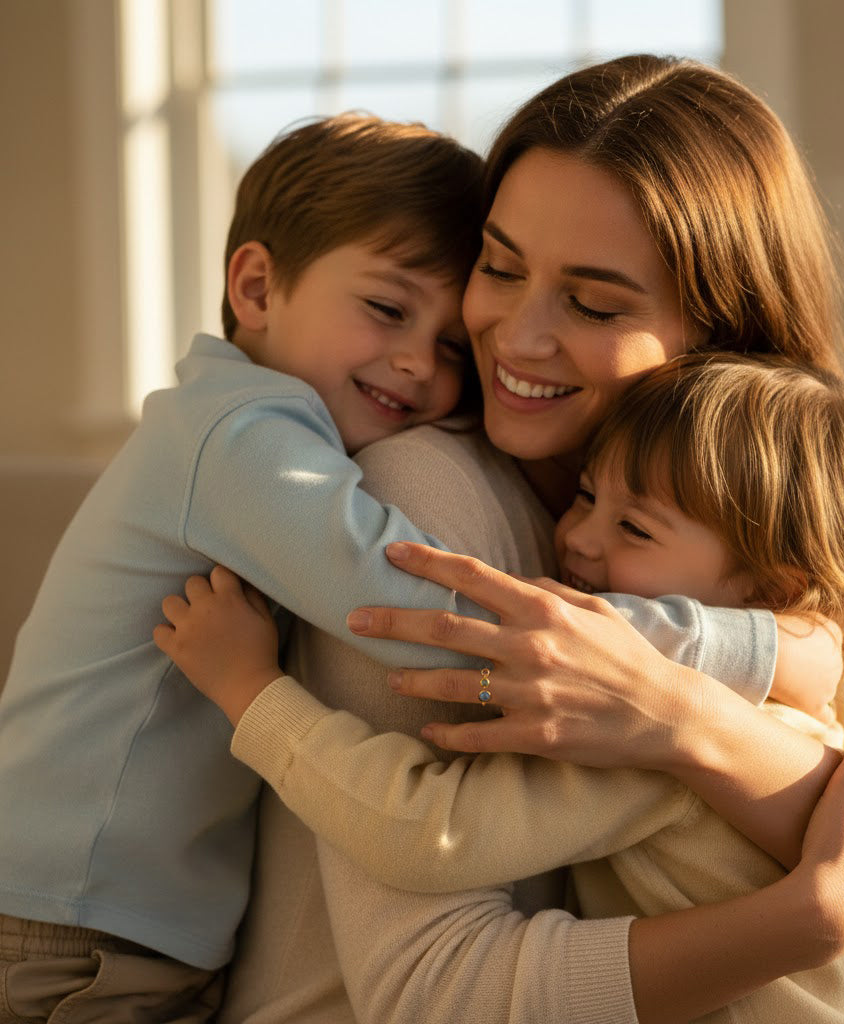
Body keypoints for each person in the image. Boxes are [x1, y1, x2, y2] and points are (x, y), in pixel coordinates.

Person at [186, 57, 844, 1023]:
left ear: (719, 337)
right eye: (499, 265)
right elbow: (427, 988)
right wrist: (815, 910)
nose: (515, 338)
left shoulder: (739, 525)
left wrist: (684, 722)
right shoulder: (419, 500)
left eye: (596, 304)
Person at [161, 351, 844, 1023]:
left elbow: (426, 829)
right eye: (589, 494)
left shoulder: (648, 747)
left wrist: (253, 696)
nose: (576, 539)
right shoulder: (811, 689)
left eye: (634, 527)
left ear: (771, 587)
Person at [0, 112, 490, 1020]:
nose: (420, 362)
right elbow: (419, 622)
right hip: (73, 934)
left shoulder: (236, 418)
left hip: (118, 925)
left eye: (455, 347)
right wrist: (671, 664)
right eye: (387, 308)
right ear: (258, 288)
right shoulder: (242, 436)